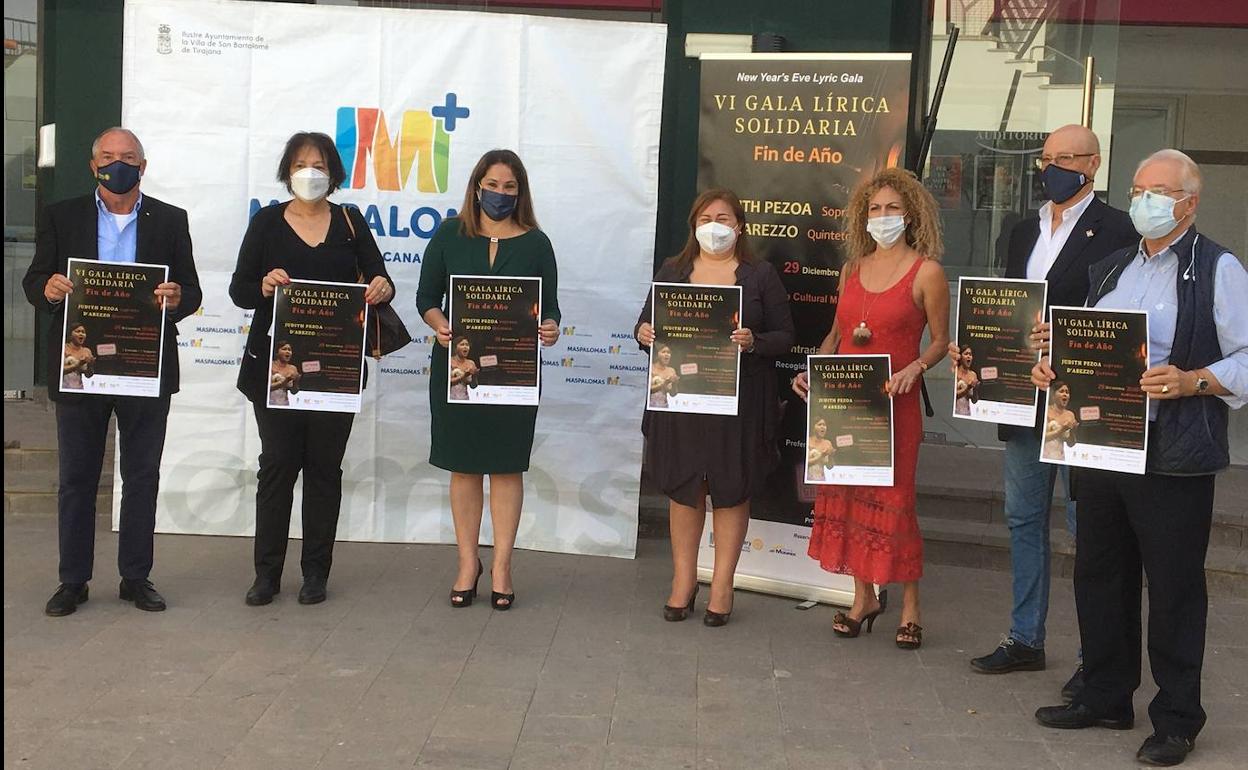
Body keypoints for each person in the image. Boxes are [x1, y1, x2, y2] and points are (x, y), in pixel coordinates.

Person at [1032, 150, 1248, 767]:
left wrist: (1194, 380)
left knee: (1175, 587)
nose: (1145, 200)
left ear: (1189, 202)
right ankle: (1104, 694)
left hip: (1173, 455)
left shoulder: (1218, 269)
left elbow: (1247, 356)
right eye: (1138, 188)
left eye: (1159, 191)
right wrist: (1056, 366)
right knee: (1100, 572)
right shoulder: (1112, 267)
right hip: (1101, 446)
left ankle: (1177, 718)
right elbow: (1088, 347)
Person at [964, 125, 1136, 684]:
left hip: (1078, 394)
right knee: (1023, 518)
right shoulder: (1022, 230)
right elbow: (1011, 305)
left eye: (1063, 158)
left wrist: (1059, 337)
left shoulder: (1119, 229)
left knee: (1093, 528)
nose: (1050, 168)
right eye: (1045, 158)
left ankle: (1096, 656)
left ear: (1092, 163)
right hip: (1021, 396)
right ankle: (1025, 637)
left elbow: (1115, 320)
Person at [22, 127, 201, 616]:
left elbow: (191, 290)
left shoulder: (169, 219)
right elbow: (34, 280)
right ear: (92, 164)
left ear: (142, 166)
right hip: (80, 368)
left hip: (144, 364)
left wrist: (177, 297)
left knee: (142, 476)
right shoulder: (62, 215)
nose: (116, 163)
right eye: (107, 156)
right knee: (77, 478)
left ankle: (136, 577)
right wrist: (50, 289)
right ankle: (73, 580)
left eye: (127, 157)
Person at [229, 131, 394, 607]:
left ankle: (316, 574)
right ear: (287, 170)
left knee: (324, 470)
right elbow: (240, 291)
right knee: (277, 467)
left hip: (334, 372)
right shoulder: (266, 222)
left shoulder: (350, 221)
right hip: (274, 369)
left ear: (333, 174)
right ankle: (266, 575)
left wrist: (381, 286)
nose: (310, 173)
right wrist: (263, 284)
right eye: (301, 164)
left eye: (319, 165)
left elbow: (381, 280)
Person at [793, 168, 949, 648]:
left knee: (896, 505)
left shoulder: (927, 272)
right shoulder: (851, 270)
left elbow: (941, 341)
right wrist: (812, 373)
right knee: (847, 498)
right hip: (844, 404)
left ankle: (910, 606)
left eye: (893, 208)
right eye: (875, 209)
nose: (883, 217)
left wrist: (916, 368)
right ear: (864, 216)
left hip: (895, 409)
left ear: (911, 214)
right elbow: (837, 336)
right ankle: (863, 598)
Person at [636, 189, 794, 626]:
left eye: (724, 218)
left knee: (730, 490)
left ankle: (722, 587)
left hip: (739, 404)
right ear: (694, 225)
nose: (715, 226)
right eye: (706, 218)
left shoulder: (760, 275)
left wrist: (754, 341)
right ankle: (683, 583)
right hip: (683, 402)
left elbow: (785, 335)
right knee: (685, 491)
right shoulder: (674, 270)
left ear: (739, 226)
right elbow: (644, 324)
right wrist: (644, 334)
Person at [416, 149, 561, 611]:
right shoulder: (448, 234)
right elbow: (426, 297)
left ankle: (501, 565)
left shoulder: (536, 243)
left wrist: (551, 328)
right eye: (493, 185)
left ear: (521, 193)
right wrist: (440, 325)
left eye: (510, 187)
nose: (500, 194)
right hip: (456, 370)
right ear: (477, 185)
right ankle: (466, 562)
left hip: (514, 373)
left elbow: (550, 307)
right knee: (464, 466)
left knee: (505, 466)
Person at [1041, 380, 1078, 461]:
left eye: (1067, 392)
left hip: (1060, 457)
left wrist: (1073, 431)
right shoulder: (1046, 410)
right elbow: (1041, 438)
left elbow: (1071, 444)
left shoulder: (1070, 415)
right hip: (1044, 455)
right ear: (1053, 395)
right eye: (1061, 391)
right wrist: (1061, 430)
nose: (1065, 394)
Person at [62, 323, 95, 390]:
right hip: (64, 387)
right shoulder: (64, 348)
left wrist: (90, 365)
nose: (81, 334)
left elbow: (88, 375)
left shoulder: (87, 351)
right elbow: (59, 371)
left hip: (79, 388)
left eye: (83, 332)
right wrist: (78, 364)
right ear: (70, 335)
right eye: (78, 331)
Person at [268, 341, 300, 407]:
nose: (288, 351)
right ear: (277, 352)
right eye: (284, 349)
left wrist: (296, 381)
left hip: (284, 404)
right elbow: (266, 388)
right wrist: (285, 381)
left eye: (289, 350)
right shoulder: (270, 365)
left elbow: (294, 392)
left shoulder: (293, 368)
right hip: (269, 403)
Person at [448, 336, 478, 401]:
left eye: (467, 345)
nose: (465, 347)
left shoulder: (471, 363)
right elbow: (446, 382)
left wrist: (475, 376)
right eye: (462, 344)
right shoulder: (449, 361)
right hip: (450, 399)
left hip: (465, 399)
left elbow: (473, 386)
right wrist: (464, 375)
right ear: (455, 348)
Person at [648, 343, 678, 408]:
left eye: (669, 352)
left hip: (664, 406)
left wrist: (675, 384)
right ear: (657, 354)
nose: (666, 354)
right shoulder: (651, 368)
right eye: (663, 352)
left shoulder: (671, 370)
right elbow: (648, 390)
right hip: (650, 406)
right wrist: (664, 384)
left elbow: (673, 394)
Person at [953, 344, 979, 415]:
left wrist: (976, 389)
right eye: (966, 354)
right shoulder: (955, 372)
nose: (968, 356)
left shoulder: (973, 374)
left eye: (970, 354)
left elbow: (974, 401)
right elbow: (953, 396)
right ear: (960, 356)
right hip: (956, 412)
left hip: (967, 413)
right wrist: (968, 388)